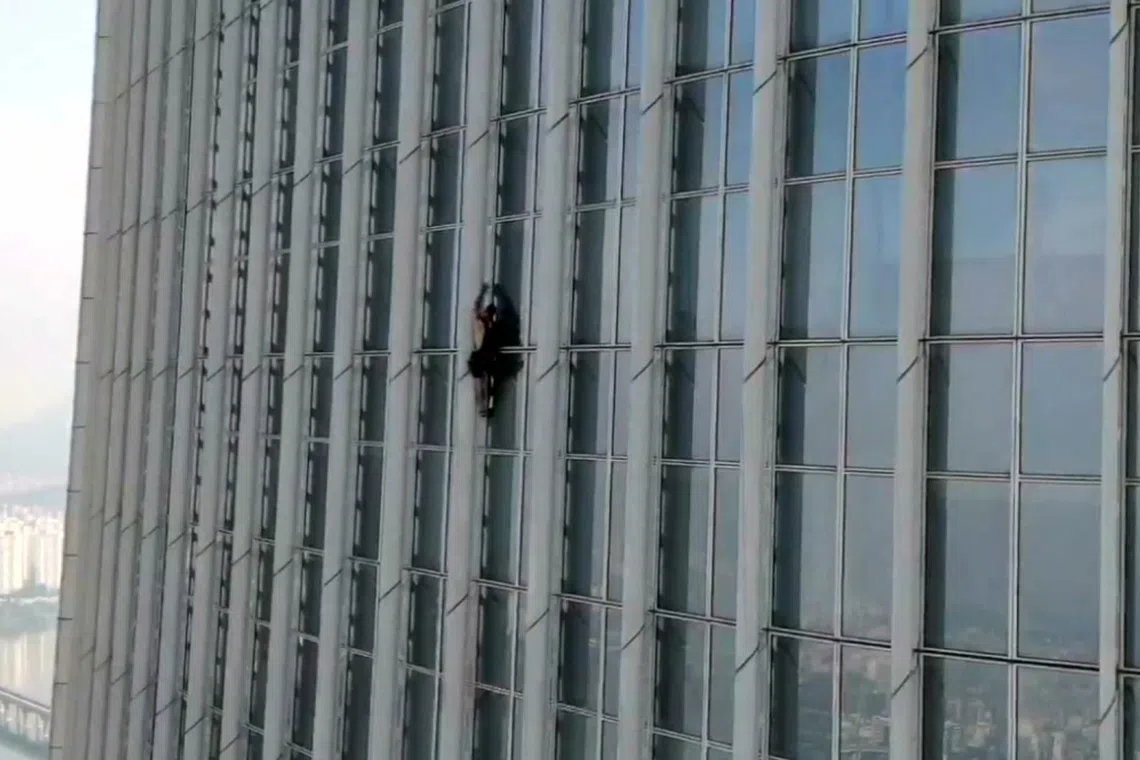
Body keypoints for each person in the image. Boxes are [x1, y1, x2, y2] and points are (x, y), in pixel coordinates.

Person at [468, 283, 522, 418]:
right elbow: (476, 308)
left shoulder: (492, 325)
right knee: (482, 382)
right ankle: (483, 406)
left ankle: (487, 405)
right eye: (489, 314)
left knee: (488, 382)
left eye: (491, 314)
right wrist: (483, 292)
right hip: (482, 355)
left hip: (488, 356)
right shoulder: (482, 323)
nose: (490, 316)